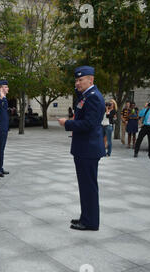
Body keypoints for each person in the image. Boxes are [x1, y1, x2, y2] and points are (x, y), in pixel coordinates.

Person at [58, 65, 105, 231]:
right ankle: (86, 217)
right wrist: (79, 90)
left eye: (80, 80)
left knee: (88, 187)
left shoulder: (93, 97)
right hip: (85, 148)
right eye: (76, 80)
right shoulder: (87, 95)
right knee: (85, 186)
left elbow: (89, 124)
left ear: (90, 80)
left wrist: (67, 123)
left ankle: (90, 222)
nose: (77, 83)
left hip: (88, 149)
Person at [0, 80, 10, 177]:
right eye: (6, 87)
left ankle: (0, 167)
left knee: (2, 148)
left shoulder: (4, 99)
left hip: (4, 127)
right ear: (1, 88)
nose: (7, 89)